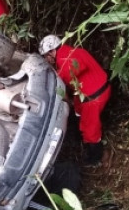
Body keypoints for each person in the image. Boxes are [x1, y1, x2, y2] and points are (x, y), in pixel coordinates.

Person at [40, 34, 111, 166]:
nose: (46, 59)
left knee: (90, 129)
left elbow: (71, 71)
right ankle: (80, 136)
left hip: (94, 97)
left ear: (52, 51)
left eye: (46, 56)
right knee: (77, 110)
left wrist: (58, 79)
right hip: (95, 89)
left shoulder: (65, 58)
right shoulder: (71, 51)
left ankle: (97, 157)